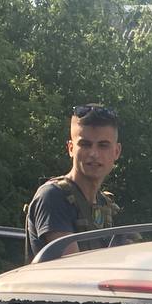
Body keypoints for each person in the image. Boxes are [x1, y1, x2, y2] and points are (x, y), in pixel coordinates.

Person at [25, 104, 123, 259]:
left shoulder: (104, 203)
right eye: (85, 144)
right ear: (71, 148)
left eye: (103, 145)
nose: (94, 154)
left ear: (116, 152)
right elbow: (74, 272)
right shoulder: (53, 197)